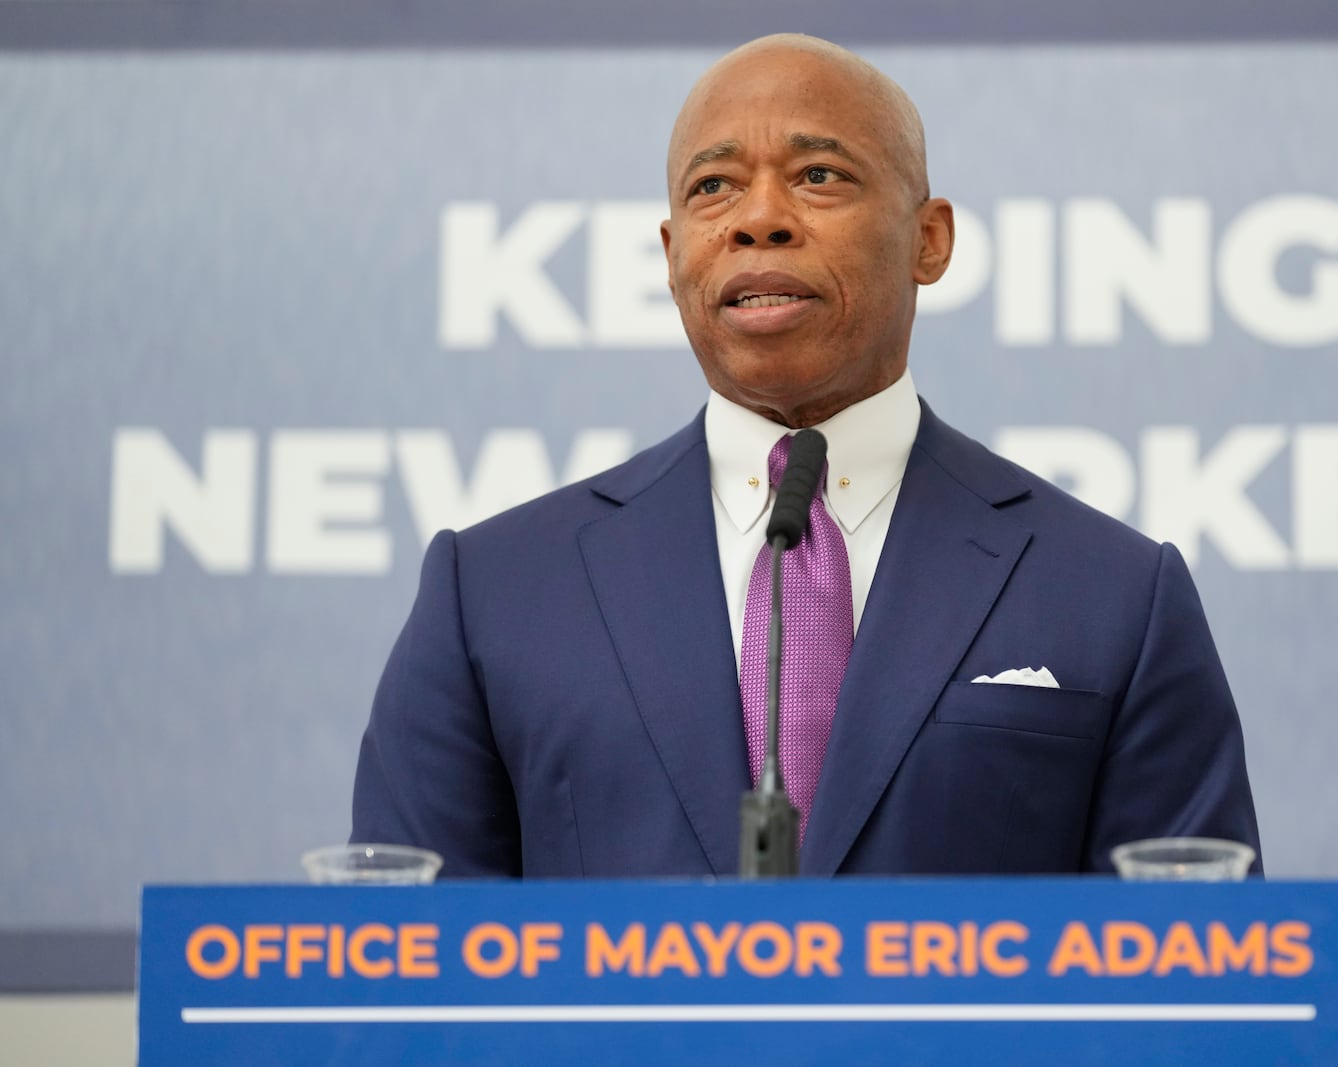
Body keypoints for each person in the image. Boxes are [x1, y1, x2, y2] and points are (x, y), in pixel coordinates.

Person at [351, 34, 1261, 877]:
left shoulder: (1114, 595)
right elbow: (395, 984)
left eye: (818, 175)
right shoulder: (494, 594)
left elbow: (1205, 994)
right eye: (713, 188)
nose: (758, 220)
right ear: (673, 257)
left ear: (929, 239)